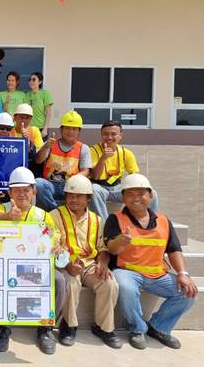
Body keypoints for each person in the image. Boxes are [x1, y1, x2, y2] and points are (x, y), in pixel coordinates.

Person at [104, 173, 197, 350]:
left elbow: (174, 249)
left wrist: (183, 274)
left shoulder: (163, 221)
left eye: (141, 194)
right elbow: (112, 249)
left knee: (188, 292)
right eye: (130, 194)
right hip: (127, 271)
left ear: (151, 195)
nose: (136, 198)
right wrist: (121, 241)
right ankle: (137, 329)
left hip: (157, 273)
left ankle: (158, 327)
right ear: (123, 197)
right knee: (125, 286)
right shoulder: (115, 218)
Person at [0, 167, 66, 356]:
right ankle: (3, 327)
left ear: (34, 191)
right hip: (6, 265)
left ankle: (45, 329)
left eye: (26, 190)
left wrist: (57, 246)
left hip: (35, 266)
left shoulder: (43, 215)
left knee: (59, 281)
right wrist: (9, 217)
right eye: (17, 190)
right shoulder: (1, 208)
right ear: (9, 193)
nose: (22, 194)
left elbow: (54, 237)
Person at [50, 175, 122, 349]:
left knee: (109, 283)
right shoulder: (55, 215)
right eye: (70, 195)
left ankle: (103, 327)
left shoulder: (97, 220)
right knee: (70, 283)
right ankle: (69, 325)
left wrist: (103, 263)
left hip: (89, 263)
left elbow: (102, 248)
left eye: (79, 196)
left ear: (88, 199)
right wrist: (68, 265)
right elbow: (55, 246)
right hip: (66, 263)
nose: (73, 199)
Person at [90, 121, 158, 220]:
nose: (109, 137)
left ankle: (152, 221)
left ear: (120, 135)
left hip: (118, 188)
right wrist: (103, 158)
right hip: (99, 187)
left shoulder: (126, 153)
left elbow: (134, 176)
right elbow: (95, 176)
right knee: (94, 189)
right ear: (101, 135)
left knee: (152, 193)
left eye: (113, 134)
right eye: (106, 134)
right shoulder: (92, 150)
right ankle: (104, 223)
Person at [35, 110, 91, 211]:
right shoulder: (50, 143)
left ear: (79, 131)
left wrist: (73, 180)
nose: (70, 131)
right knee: (38, 183)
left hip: (71, 186)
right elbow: (38, 160)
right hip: (51, 184)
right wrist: (46, 147)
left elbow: (85, 171)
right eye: (67, 128)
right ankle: (55, 211)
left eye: (74, 129)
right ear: (61, 129)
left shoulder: (83, 148)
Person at [25, 72, 53, 139]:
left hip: (41, 128)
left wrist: (45, 129)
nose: (31, 81)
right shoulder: (26, 95)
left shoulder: (45, 94)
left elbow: (48, 113)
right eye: (30, 79)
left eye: (34, 79)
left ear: (40, 82)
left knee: (41, 146)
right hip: (30, 128)